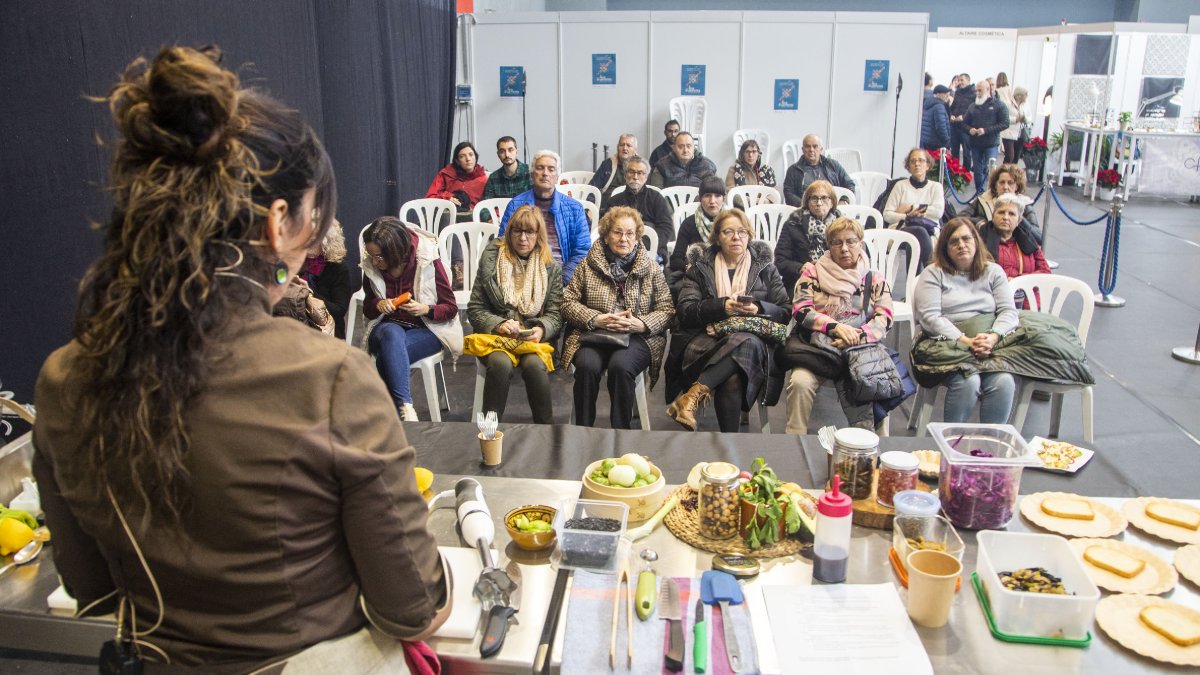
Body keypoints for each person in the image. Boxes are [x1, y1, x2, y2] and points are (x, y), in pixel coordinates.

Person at [31, 45, 449, 672]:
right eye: (314, 219)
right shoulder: (330, 379)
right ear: (279, 223)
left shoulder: (63, 380)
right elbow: (412, 607)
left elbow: (91, 588)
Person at [666, 210, 790, 432]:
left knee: (747, 342)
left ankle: (692, 397)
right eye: (728, 232)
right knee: (733, 374)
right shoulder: (700, 268)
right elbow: (685, 312)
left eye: (742, 232)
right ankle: (729, 443)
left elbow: (785, 311)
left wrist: (758, 308)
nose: (736, 237)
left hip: (754, 343)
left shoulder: (765, 269)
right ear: (717, 237)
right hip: (707, 340)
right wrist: (721, 306)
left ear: (749, 235)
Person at [561, 207, 674, 428]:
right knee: (587, 366)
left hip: (636, 337)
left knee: (620, 367)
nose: (624, 239)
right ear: (606, 235)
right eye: (617, 232)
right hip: (594, 334)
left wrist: (640, 324)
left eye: (630, 233)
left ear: (637, 236)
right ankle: (583, 431)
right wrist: (596, 319)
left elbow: (667, 310)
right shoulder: (586, 265)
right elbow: (567, 303)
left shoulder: (650, 268)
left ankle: (621, 434)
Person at [785, 217, 895, 434]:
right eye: (837, 242)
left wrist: (858, 336)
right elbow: (801, 309)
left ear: (860, 244)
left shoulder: (874, 279)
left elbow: (885, 318)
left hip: (860, 352)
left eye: (851, 241)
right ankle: (794, 442)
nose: (844, 248)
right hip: (818, 351)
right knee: (799, 383)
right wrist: (834, 327)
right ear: (829, 246)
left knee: (879, 387)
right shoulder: (813, 272)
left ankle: (876, 451)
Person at [912, 218, 1019, 423]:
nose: (961, 245)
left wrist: (993, 337)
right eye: (954, 241)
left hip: (987, 342)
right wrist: (966, 341)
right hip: (947, 341)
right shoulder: (933, 273)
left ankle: (989, 444)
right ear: (945, 248)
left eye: (966, 238)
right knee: (968, 381)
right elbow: (930, 318)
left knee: (1004, 382)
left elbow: (1009, 312)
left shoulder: (993, 272)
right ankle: (951, 442)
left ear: (976, 241)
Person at [467, 206, 563, 423]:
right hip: (496, 338)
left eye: (529, 232)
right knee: (500, 364)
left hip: (532, 338)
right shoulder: (491, 261)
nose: (522, 238)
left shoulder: (551, 268)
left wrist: (541, 329)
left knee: (535, 366)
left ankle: (545, 430)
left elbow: (556, 314)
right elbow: (475, 308)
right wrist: (499, 324)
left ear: (538, 236)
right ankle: (489, 433)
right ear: (508, 232)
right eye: (516, 231)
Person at [361, 216, 463, 421]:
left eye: (379, 256)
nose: (374, 261)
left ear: (396, 251)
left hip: (427, 329)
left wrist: (425, 308)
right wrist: (378, 304)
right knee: (390, 333)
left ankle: (391, 416)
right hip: (385, 326)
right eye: (371, 255)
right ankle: (405, 407)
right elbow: (368, 309)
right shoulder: (372, 265)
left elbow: (450, 308)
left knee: (387, 356)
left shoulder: (428, 260)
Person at [498, 149, 591, 283]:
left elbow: (582, 251)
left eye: (551, 169)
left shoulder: (574, 208)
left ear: (557, 176)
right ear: (532, 174)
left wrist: (562, 279)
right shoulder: (515, 205)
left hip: (562, 276)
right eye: (540, 168)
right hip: (523, 276)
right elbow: (503, 243)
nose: (545, 173)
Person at [274, 219, 353, 338]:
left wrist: (309, 292)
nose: (308, 248)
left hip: (325, 330)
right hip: (292, 325)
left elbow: (339, 311)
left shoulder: (338, 268)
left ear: (327, 242)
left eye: (313, 242)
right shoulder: (292, 261)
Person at [978, 193, 1050, 307]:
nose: (1006, 217)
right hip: (991, 303)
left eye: (1011, 214)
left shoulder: (1028, 240)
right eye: (1001, 212)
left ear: (1019, 220)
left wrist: (1019, 280)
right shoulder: (980, 239)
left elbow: (1045, 272)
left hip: (1028, 304)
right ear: (993, 215)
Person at [774, 180, 842, 294]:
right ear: (807, 202)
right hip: (801, 282)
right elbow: (780, 262)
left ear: (832, 202)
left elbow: (855, 258)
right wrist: (800, 268)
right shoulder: (793, 224)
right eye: (814, 198)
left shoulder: (842, 227)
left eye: (824, 198)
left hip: (835, 281)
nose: (819, 203)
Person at [881, 148, 945, 269]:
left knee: (917, 237)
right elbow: (887, 215)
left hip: (930, 230)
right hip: (902, 228)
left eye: (921, 160)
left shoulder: (936, 187)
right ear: (908, 167)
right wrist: (908, 216)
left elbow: (938, 212)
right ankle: (930, 270)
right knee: (918, 233)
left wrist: (912, 207)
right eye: (913, 161)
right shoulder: (900, 186)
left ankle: (914, 282)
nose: (917, 164)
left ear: (927, 165)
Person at [603, 155, 672, 262]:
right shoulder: (614, 201)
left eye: (640, 173)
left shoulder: (657, 198)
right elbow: (606, 229)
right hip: (619, 251)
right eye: (631, 172)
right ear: (625, 174)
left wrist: (641, 245)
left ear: (646, 177)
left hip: (651, 250)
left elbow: (666, 228)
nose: (635, 177)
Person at [668, 175, 727, 296]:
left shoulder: (731, 222)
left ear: (724, 198)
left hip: (727, 272)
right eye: (707, 195)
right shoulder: (689, 223)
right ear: (700, 198)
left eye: (717, 196)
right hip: (698, 275)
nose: (712, 201)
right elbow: (676, 259)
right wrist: (688, 266)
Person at [964, 163, 1042, 243]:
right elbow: (959, 219)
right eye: (1002, 182)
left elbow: (1038, 237)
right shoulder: (984, 200)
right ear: (995, 185)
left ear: (1017, 186)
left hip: (1016, 249)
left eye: (1010, 183)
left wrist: (1018, 219)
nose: (1005, 187)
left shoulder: (1025, 204)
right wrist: (982, 223)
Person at [782, 134, 855, 207]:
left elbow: (850, 184)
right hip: (805, 212)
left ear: (821, 149)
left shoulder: (833, 166)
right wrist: (807, 206)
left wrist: (843, 200)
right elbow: (788, 194)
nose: (811, 150)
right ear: (803, 150)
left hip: (833, 210)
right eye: (807, 146)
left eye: (815, 146)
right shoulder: (793, 170)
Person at [963, 79, 1010, 190]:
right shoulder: (972, 106)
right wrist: (969, 129)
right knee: (978, 172)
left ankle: (991, 193)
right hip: (975, 144)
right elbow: (964, 123)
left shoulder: (999, 105)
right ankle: (980, 194)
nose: (977, 93)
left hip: (991, 144)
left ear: (988, 90)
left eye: (980, 91)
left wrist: (986, 130)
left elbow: (1005, 123)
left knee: (990, 170)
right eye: (976, 91)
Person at [426, 140, 488, 214]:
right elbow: (430, 197)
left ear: (475, 157)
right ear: (457, 161)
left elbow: (489, 204)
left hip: (473, 218)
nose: (468, 159)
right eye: (462, 156)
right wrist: (447, 198)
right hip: (448, 215)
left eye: (471, 155)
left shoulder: (483, 179)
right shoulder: (447, 174)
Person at [649, 131, 718, 189]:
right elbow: (656, 193)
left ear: (694, 147)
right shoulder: (662, 166)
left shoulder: (707, 165)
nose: (685, 150)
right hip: (670, 204)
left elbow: (715, 190)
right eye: (681, 147)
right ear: (674, 148)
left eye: (689, 146)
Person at [590, 133, 637, 201]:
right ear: (617, 147)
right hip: (607, 206)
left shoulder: (641, 167)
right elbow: (592, 188)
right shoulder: (607, 164)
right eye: (622, 145)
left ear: (635, 150)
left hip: (631, 206)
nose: (625, 148)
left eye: (629, 145)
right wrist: (590, 208)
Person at [483, 135, 531, 200]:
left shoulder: (530, 172)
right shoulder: (493, 178)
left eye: (510, 150)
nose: (507, 155)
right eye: (502, 151)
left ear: (516, 152)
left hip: (526, 210)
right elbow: (486, 205)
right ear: (498, 154)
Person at [949, 73, 975, 172]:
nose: (959, 82)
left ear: (968, 81)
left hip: (966, 127)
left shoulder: (974, 93)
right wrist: (951, 114)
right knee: (954, 151)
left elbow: (974, 111)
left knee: (966, 152)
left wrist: (963, 117)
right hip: (955, 126)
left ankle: (966, 173)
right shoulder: (957, 92)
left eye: (962, 80)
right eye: (958, 80)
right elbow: (951, 107)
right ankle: (954, 172)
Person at [999, 85, 1029, 164]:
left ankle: (1012, 175)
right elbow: (1003, 118)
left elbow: (1029, 117)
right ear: (1019, 95)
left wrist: (1025, 119)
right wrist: (1016, 119)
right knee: (1009, 156)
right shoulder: (1007, 104)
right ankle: (1002, 174)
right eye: (1025, 95)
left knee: (1016, 158)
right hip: (1008, 134)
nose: (1027, 97)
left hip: (1020, 134)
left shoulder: (1024, 106)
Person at [921, 84, 952, 152]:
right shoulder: (939, 106)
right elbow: (941, 127)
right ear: (937, 94)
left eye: (948, 93)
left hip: (927, 141)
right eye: (945, 93)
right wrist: (947, 141)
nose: (947, 95)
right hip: (936, 143)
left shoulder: (927, 104)